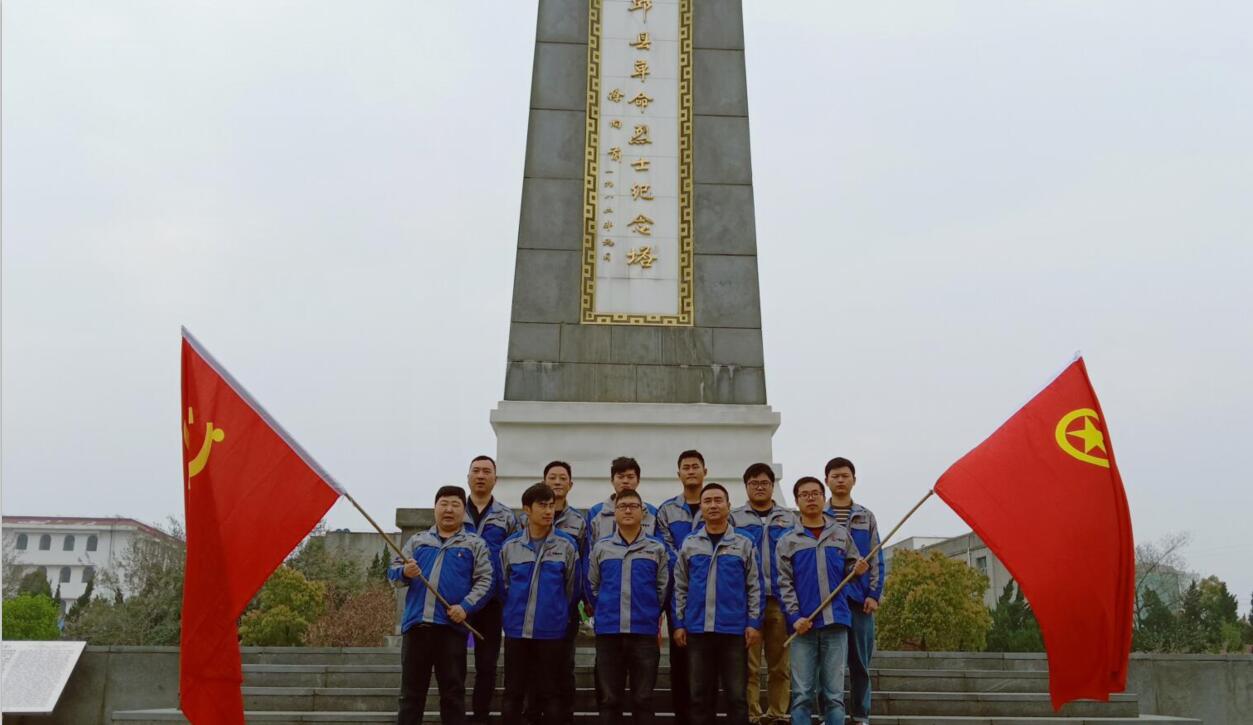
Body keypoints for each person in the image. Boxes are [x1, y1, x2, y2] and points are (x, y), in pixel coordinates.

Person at [388, 485, 494, 725]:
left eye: (455, 505)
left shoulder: (474, 544)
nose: (449, 509)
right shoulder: (418, 541)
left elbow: (486, 580)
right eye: (443, 504)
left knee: (453, 695)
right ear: (435, 508)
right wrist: (404, 572)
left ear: (464, 511)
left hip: (451, 629)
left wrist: (465, 607)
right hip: (417, 628)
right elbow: (393, 574)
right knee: (411, 695)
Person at [778, 476, 867, 725]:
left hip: (836, 623)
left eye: (815, 493)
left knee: (834, 696)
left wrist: (858, 569)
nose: (810, 498)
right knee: (802, 695)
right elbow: (784, 583)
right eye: (804, 494)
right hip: (803, 627)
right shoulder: (788, 540)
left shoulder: (840, 534)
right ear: (797, 501)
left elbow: (852, 567)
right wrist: (795, 618)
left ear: (822, 496)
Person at [673, 483, 762, 725]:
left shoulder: (744, 543)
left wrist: (753, 623)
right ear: (701, 508)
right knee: (699, 697)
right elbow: (680, 586)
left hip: (733, 631)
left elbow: (755, 586)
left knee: (736, 697)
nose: (713, 505)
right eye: (707, 501)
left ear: (728, 506)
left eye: (718, 500)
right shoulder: (690, 543)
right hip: (698, 630)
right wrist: (679, 623)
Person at [586, 488, 671, 725]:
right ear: (615, 512)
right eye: (622, 506)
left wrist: (649, 612)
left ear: (642, 512)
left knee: (643, 699)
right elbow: (592, 586)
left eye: (634, 506)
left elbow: (662, 588)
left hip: (644, 634)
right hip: (609, 633)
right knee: (609, 700)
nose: (628, 510)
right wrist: (606, 609)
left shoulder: (656, 549)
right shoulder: (601, 548)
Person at [500, 483, 581, 725]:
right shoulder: (510, 546)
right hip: (517, 631)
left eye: (551, 506)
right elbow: (503, 586)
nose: (548, 511)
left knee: (551, 693)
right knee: (514, 692)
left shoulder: (566, 545)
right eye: (542, 505)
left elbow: (572, 588)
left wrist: (557, 614)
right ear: (527, 509)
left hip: (551, 632)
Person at [730, 463, 797, 725]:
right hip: (747, 602)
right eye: (754, 483)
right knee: (749, 665)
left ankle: (777, 713)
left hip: (780, 600)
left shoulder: (789, 518)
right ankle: (753, 714)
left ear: (772, 485)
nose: (759, 487)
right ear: (746, 486)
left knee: (780, 664)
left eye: (764, 483)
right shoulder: (735, 518)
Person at [522, 461, 588, 725]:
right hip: (529, 613)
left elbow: (580, 567)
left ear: (571, 484)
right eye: (552, 477)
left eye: (563, 478)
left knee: (563, 670)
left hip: (564, 611)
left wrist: (569, 604)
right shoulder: (523, 520)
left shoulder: (579, 522)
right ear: (544, 482)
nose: (558, 482)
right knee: (531, 673)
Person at [463, 454, 523, 725]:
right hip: (457, 601)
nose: (480, 476)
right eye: (476, 471)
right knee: (452, 662)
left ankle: (481, 715)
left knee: (486, 664)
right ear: (468, 477)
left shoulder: (506, 516)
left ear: (495, 479)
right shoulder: (455, 510)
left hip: (492, 600)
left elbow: (513, 557)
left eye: (486, 471)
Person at [823, 457, 883, 725]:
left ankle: (860, 715)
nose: (840, 480)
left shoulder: (865, 516)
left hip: (859, 601)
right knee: (827, 664)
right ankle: (827, 715)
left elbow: (876, 557)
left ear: (853, 480)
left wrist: (873, 594)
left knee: (860, 663)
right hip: (829, 601)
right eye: (834, 476)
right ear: (826, 480)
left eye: (845, 476)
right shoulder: (818, 516)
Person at [654, 450, 709, 725]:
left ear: (704, 472)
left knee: (706, 663)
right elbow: (664, 548)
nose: (691, 471)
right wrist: (690, 563)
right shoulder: (667, 510)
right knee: (680, 658)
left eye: (695, 466)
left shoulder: (714, 504)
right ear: (679, 474)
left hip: (710, 593)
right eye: (686, 467)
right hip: (677, 592)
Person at [586, 457, 659, 545]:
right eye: (620, 477)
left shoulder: (652, 513)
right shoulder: (596, 512)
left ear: (638, 481)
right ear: (612, 480)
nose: (625, 481)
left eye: (630, 477)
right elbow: (590, 549)